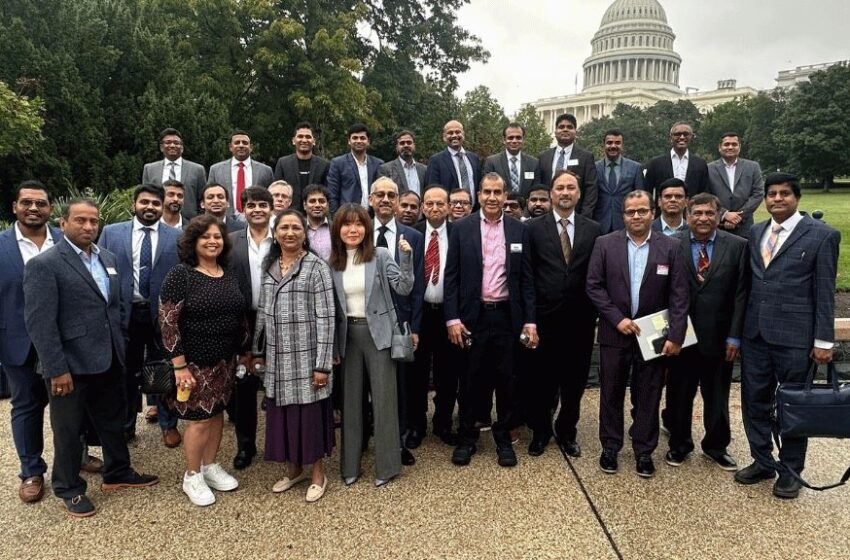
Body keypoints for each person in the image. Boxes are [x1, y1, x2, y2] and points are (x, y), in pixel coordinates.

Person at [24, 199, 159, 518]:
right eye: (80, 221)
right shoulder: (45, 264)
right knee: (69, 429)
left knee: (113, 420)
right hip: (70, 365)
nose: (88, 227)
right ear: (63, 223)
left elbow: (113, 307)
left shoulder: (107, 258)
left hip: (109, 358)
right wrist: (56, 369)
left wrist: (121, 346)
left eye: (93, 221)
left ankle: (118, 472)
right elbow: (40, 323)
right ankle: (69, 487)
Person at [735, 173, 840, 500]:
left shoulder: (821, 236)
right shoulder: (756, 232)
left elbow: (824, 292)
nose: (777, 199)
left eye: (784, 194)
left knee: (793, 405)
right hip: (755, 334)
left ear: (796, 198)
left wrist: (824, 341)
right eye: (772, 194)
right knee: (754, 400)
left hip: (795, 337)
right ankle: (762, 459)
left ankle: (791, 470)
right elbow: (749, 285)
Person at [586, 190, 689, 478]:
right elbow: (594, 285)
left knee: (649, 394)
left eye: (642, 211)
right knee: (611, 392)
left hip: (653, 335)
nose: (636, 216)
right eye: (631, 212)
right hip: (614, 333)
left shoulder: (670, 247)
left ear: (652, 213)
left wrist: (676, 336)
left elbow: (679, 296)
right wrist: (617, 319)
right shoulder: (605, 244)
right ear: (623, 215)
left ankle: (644, 450)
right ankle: (610, 447)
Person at [444, 172, 537, 468]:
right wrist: (452, 319)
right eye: (487, 192)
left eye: (498, 192)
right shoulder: (461, 228)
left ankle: (503, 438)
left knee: (507, 380)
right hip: (473, 316)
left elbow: (526, 280)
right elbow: (452, 277)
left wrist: (530, 321)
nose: (493, 197)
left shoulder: (519, 230)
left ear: (505, 195)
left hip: (507, 316)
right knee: (471, 380)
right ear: (479, 195)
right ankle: (468, 438)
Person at [158, 215, 248, 506]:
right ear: (193, 242)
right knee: (198, 420)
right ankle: (192, 475)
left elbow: (239, 314)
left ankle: (210, 466)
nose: (212, 241)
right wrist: (179, 365)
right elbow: (168, 322)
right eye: (205, 237)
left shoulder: (227, 273)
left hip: (224, 361)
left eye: (217, 236)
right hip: (195, 364)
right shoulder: (181, 275)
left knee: (217, 412)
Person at [252, 210, 335, 502]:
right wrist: (256, 352)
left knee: (309, 417)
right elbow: (262, 312)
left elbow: (327, 317)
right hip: (277, 358)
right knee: (284, 415)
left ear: (304, 234)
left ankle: (318, 474)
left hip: (308, 357)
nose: (289, 232)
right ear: (275, 234)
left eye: (295, 228)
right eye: (284, 227)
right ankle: (294, 468)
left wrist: (323, 364)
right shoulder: (271, 266)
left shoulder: (316, 267)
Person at [329, 204, 413, 487]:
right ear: (337, 228)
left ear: (367, 227)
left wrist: (407, 257)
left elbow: (404, 287)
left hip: (379, 334)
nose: (353, 230)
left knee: (384, 401)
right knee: (350, 403)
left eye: (359, 224)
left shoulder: (380, 255)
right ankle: (349, 465)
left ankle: (387, 466)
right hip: (347, 337)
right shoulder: (331, 262)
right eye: (346, 224)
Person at [665, 193, 747, 471]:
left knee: (717, 396)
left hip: (721, 337)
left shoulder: (737, 247)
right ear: (688, 216)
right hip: (681, 336)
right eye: (697, 213)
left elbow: (741, 294)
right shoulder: (671, 244)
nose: (703, 218)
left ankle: (716, 446)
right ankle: (679, 444)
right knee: (678, 393)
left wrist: (735, 335)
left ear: (718, 215)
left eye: (709, 213)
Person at [98, 184, 181, 448]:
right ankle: (126, 425)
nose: (150, 207)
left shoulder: (176, 236)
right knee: (126, 372)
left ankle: (169, 424)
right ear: (134, 204)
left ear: (162, 206)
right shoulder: (112, 233)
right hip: (125, 314)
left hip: (161, 315)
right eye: (144, 202)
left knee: (164, 369)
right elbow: (97, 268)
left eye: (156, 203)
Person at [526, 172, 601, 458]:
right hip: (544, 320)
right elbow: (528, 276)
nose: (566, 192)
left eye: (571, 187)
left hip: (580, 321)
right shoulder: (533, 229)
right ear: (551, 193)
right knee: (542, 381)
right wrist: (529, 319)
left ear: (579, 193)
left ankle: (567, 431)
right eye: (560, 188)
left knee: (575, 382)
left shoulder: (593, 229)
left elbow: (597, 275)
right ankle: (541, 431)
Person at [1, 181, 64, 503]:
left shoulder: (66, 242)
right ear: (15, 207)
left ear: (50, 209)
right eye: (27, 203)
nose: (34, 209)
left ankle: (74, 458)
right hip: (18, 343)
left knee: (69, 406)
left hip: (64, 341)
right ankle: (31, 470)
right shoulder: (1, 247)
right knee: (26, 406)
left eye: (40, 203)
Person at [369, 177, 425, 465]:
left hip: (400, 324)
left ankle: (399, 441)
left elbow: (417, 287)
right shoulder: (358, 232)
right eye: (380, 194)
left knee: (399, 387)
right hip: (365, 324)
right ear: (370, 199)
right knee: (368, 384)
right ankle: (367, 437)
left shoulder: (412, 237)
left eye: (392, 195)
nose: (386, 200)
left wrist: (414, 327)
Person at [409, 186, 462, 446]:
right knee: (417, 373)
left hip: (449, 315)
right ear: (422, 207)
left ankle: (443, 423)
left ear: (449, 207)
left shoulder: (459, 234)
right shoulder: (412, 234)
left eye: (440, 203)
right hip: (420, 315)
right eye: (429, 203)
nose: (434, 208)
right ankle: (417, 425)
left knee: (448, 372)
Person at [226, 187, 274, 470]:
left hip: (277, 322)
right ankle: (246, 446)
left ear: (271, 209)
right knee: (243, 386)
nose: (257, 209)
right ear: (243, 209)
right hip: (243, 321)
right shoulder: (230, 242)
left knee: (277, 384)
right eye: (251, 205)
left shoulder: (282, 240)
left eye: (262, 205)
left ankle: (280, 442)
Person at [535, 113, 597, 217]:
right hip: (547, 215)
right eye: (561, 127)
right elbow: (539, 185)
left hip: (576, 214)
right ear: (555, 131)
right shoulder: (543, 157)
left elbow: (591, 188)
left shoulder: (586, 157)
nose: (565, 130)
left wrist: (584, 216)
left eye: (569, 127)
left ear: (575, 131)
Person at [706, 132, 764, 238]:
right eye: (726, 144)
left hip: (744, 227)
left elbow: (758, 194)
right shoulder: (708, 169)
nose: (730, 147)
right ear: (720, 147)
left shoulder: (753, 167)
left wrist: (739, 216)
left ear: (739, 147)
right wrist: (724, 214)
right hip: (717, 227)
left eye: (734, 144)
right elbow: (706, 195)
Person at [141, 128, 207, 218]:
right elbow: (146, 196)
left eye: (176, 143)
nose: (172, 145)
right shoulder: (149, 169)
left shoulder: (197, 169)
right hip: (157, 219)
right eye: (168, 142)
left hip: (189, 222)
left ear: (182, 147)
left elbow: (202, 199)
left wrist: (198, 220)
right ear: (161, 147)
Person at [207, 130, 274, 216]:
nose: (241, 145)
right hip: (225, 219)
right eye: (237, 142)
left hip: (256, 217)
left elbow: (271, 198)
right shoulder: (216, 170)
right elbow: (208, 196)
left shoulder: (265, 170)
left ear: (251, 147)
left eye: (245, 143)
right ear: (230, 147)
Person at [594, 129, 644, 234]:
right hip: (599, 224)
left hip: (626, 224)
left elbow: (640, 199)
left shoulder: (635, 168)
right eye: (609, 143)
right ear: (603, 145)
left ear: (622, 145)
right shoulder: (593, 168)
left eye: (617, 143)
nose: (613, 146)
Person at [643, 122, 709, 201]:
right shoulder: (656, 163)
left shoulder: (700, 164)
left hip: (691, 211)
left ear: (691, 137)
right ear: (670, 138)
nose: (682, 137)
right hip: (663, 211)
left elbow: (704, 193)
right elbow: (647, 192)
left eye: (686, 134)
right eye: (677, 134)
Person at [327, 123, 384, 212]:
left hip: (372, 217)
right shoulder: (338, 163)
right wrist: (336, 218)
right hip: (347, 215)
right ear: (349, 141)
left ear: (368, 141)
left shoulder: (378, 164)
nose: (358, 141)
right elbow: (332, 195)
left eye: (362, 138)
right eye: (355, 138)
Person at [273, 121, 330, 209]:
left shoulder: (323, 165)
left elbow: (327, 193)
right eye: (300, 136)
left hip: (314, 214)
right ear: (293, 140)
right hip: (289, 214)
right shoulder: (283, 163)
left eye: (308, 137)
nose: (304, 140)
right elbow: (277, 191)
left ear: (314, 141)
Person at [425, 120, 482, 201]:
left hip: (473, 210)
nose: (454, 135)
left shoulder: (474, 158)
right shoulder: (436, 160)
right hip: (450, 211)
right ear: (444, 137)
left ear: (463, 135)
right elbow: (433, 190)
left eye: (458, 132)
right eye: (450, 133)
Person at [482, 123, 539, 194]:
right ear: (504, 140)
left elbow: (536, 189)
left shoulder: (533, 163)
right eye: (510, 138)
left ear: (523, 140)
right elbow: (486, 187)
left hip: (525, 204)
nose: (514, 141)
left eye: (518, 138)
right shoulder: (492, 162)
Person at [377, 130, 426, 196]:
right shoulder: (385, 169)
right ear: (396, 147)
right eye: (402, 143)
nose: (406, 145)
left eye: (409, 142)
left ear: (414, 145)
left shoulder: (424, 170)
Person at [303, 184, 332, 261]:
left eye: (322, 201)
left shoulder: (336, 228)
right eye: (312, 201)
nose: (317, 205)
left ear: (328, 205)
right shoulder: (298, 228)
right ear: (304, 205)